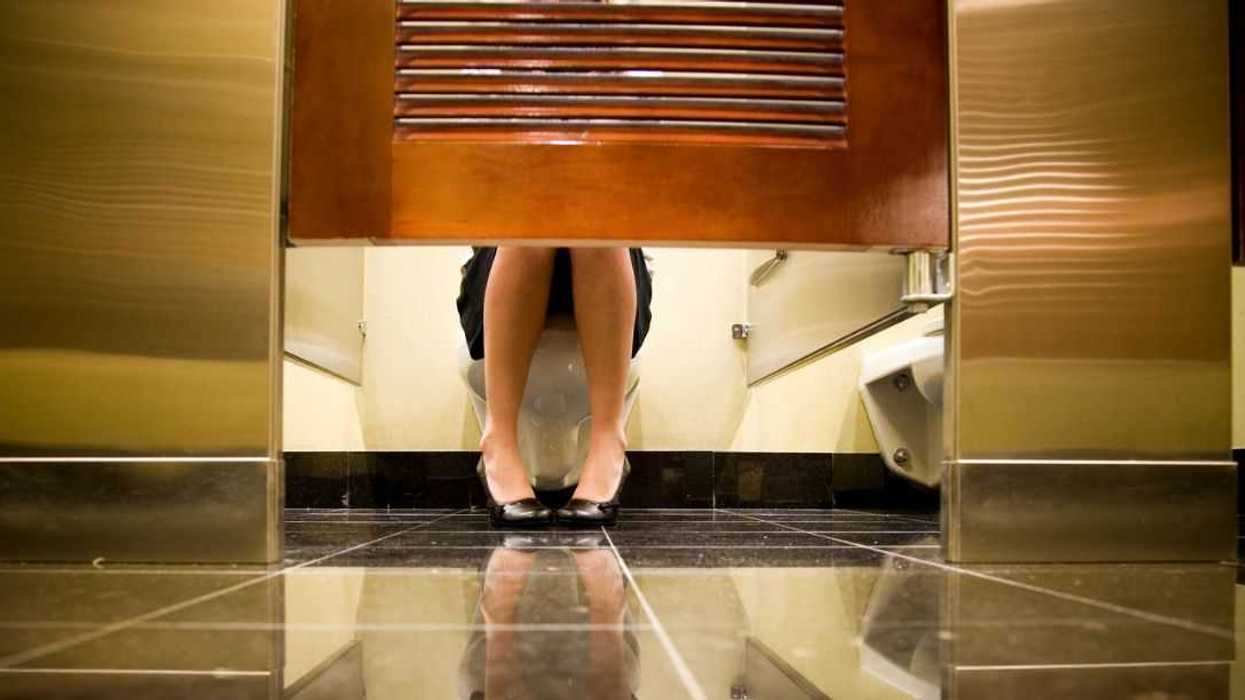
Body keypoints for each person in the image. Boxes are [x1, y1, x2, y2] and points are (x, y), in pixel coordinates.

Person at [457, 247, 652, 527]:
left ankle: (608, 441)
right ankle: (498, 442)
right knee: (532, 224)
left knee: (596, 224)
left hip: (613, 264)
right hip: (502, 263)